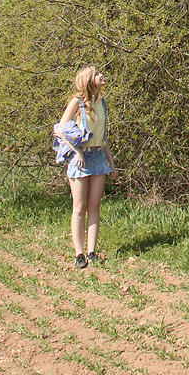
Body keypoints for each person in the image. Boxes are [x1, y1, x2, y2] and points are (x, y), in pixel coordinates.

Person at [54, 66, 116, 269]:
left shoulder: (102, 102)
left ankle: (92, 252)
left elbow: (103, 137)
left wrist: (111, 163)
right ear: (88, 80)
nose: (101, 75)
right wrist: (77, 152)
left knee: (94, 206)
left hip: (98, 157)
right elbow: (60, 129)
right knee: (79, 207)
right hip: (80, 158)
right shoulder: (77, 101)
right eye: (97, 74)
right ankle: (79, 254)